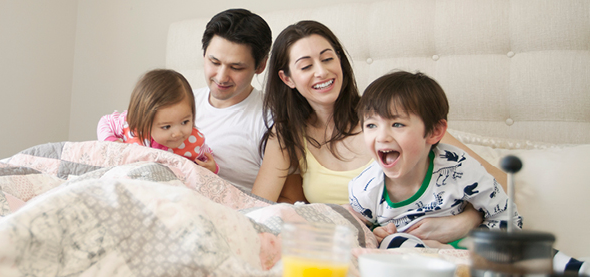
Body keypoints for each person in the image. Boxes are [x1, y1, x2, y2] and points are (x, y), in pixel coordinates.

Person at [251, 20, 493, 245]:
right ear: (287, 78)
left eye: (327, 59)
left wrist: (465, 221)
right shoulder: (287, 134)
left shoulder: (389, 118)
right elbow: (254, 211)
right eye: (306, 66)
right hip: (337, 247)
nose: (322, 72)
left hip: (415, 247)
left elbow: (499, 183)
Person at [347, 71, 521, 249]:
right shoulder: (365, 188)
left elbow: (508, 217)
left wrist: (463, 247)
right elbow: (358, 232)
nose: (381, 136)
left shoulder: (459, 168)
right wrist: (377, 234)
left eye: (397, 124)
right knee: (393, 243)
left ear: (434, 132)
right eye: (371, 125)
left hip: (468, 253)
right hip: (409, 257)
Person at [193, 8, 271, 193]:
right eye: (214, 62)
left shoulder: (271, 120)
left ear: (260, 66)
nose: (221, 77)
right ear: (204, 55)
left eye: (236, 67)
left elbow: (289, 199)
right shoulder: (180, 101)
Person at [97, 69, 218, 173]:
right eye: (166, 127)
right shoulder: (130, 126)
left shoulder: (194, 141)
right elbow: (105, 122)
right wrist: (112, 144)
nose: (177, 133)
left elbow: (208, 159)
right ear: (144, 122)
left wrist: (213, 168)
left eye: (185, 122)